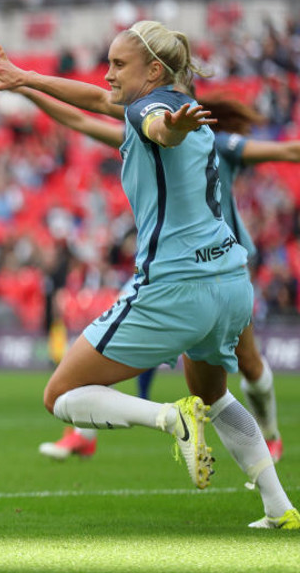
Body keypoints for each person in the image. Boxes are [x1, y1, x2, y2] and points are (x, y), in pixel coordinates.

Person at [0, 21, 298, 529]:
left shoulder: (152, 107)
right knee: (216, 395)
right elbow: (99, 104)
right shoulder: (189, 120)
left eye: (118, 65)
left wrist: (168, 127)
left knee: (59, 396)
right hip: (231, 281)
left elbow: (158, 125)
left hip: (175, 285)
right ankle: (280, 508)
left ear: (155, 71)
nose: (108, 74)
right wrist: (28, 79)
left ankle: (169, 417)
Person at [21, 89, 289, 464]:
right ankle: (85, 432)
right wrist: (27, 87)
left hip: (220, 267)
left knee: (245, 365)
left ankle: (269, 436)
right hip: (168, 265)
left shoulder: (220, 142)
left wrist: (27, 82)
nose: (113, 77)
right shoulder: (144, 133)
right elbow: (85, 119)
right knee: (114, 338)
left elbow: (287, 152)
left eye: (120, 65)